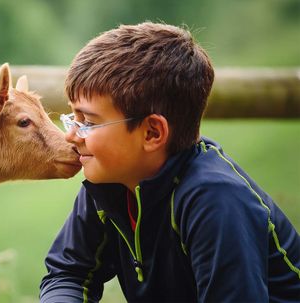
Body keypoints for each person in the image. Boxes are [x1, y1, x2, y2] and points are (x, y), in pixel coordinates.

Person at [39, 22, 300, 302]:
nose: (71, 135)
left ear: (152, 133)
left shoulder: (216, 200)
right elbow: (67, 273)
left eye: (88, 122)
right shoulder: (110, 183)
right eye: (73, 118)